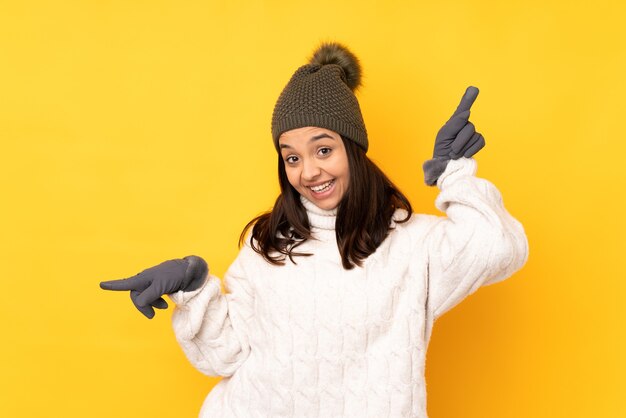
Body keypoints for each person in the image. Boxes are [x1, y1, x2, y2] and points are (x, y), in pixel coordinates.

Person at [100, 41, 529, 418]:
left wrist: (454, 174)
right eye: (291, 157)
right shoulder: (267, 244)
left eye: (323, 149)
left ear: (354, 150)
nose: (309, 171)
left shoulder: (411, 244)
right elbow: (225, 355)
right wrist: (194, 289)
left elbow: (497, 247)